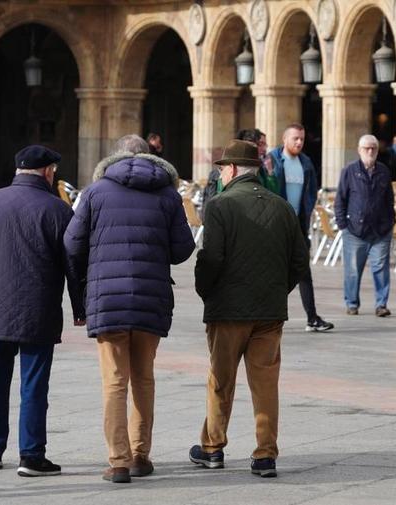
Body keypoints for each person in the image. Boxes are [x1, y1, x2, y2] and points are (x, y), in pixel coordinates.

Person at [64, 134, 195, 483]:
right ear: (151, 156)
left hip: (108, 297)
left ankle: (118, 461)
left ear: (116, 156)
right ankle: (140, 455)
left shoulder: (95, 192)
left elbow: (71, 243)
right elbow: (184, 249)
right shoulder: (168, 194)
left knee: (114, 382)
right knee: (144, 378)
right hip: (150, 297)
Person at [0, 145, 85, 477]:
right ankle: (31, 456)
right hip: (39, 311)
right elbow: (74, 264)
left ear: (18, 171)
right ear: (47, 172)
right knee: (34, 385)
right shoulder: (59, 210)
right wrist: (79, 306)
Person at [189, 139, 309, 478]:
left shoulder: (220, 206)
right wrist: (276, 289)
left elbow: (211, 258)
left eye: (222, 169)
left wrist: (205, 289)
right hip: (269, 312)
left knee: (220, 380)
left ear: (230, 170)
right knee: (265, 384)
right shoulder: (282, 206)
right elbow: (300, 260)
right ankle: (265, 454)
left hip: (227, 311)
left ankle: (213, 447)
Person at [267, 124, 334, 332]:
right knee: (274, 271)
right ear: (284, 139)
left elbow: (311, 190)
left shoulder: (305, 162)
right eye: (295, 138)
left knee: (304, 271)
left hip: (299, 224)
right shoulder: (274, 160)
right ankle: (267, 315)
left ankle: (312, 318)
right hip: (278, 224)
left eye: (302, 139)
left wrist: (307, 209)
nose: (299, 142)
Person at [334, 134, 395, 317]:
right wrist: (343, 225)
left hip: (381, 231)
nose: (370, 151)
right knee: (352, 270)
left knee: (381, 268)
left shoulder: (383, 171)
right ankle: (352, 303)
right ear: (359, 150)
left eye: (373, 148)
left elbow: (389, 199)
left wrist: (391, 222)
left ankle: (381, 304)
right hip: (354, 231)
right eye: (366, 148)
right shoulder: (349, 171)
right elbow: (340, 200)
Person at [202, 128, 275, 211]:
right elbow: (211, 205)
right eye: (259, 144)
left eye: (264, 145)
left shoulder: (262, 170)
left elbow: (271, 194)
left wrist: (270, 173)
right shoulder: (219, 174)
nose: (264, 149)